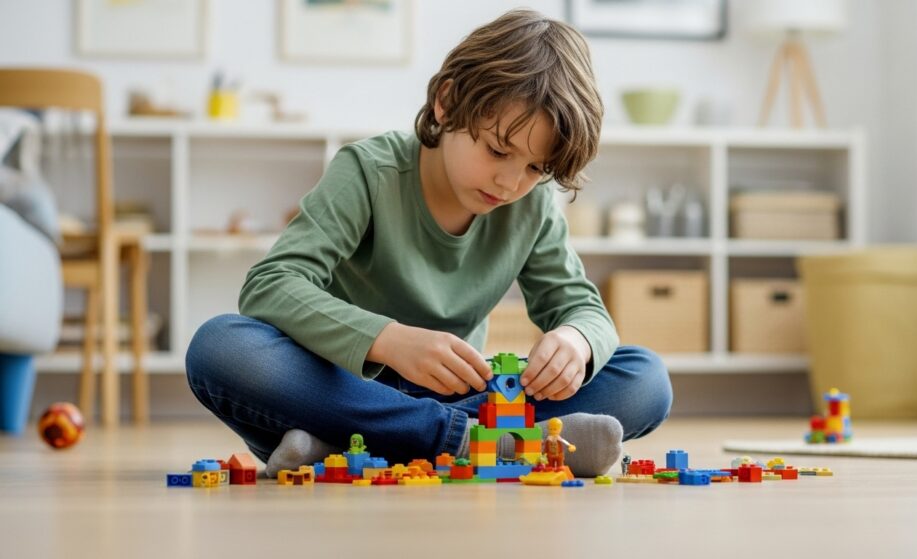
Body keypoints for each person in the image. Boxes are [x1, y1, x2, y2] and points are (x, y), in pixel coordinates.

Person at [185, 9, 672, 478]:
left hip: (460, 397)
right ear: (446, 101)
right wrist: (388, 340)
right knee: (221, 346)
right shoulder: (368, 171)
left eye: (535, 168)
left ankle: (340, 446)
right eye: (498, 150)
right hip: (345, 386)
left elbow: (582, 307)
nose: (509, 182)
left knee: (645, 378)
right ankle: (472, 444)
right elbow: (271, 285)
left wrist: (576, 341)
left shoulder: (534, 204)